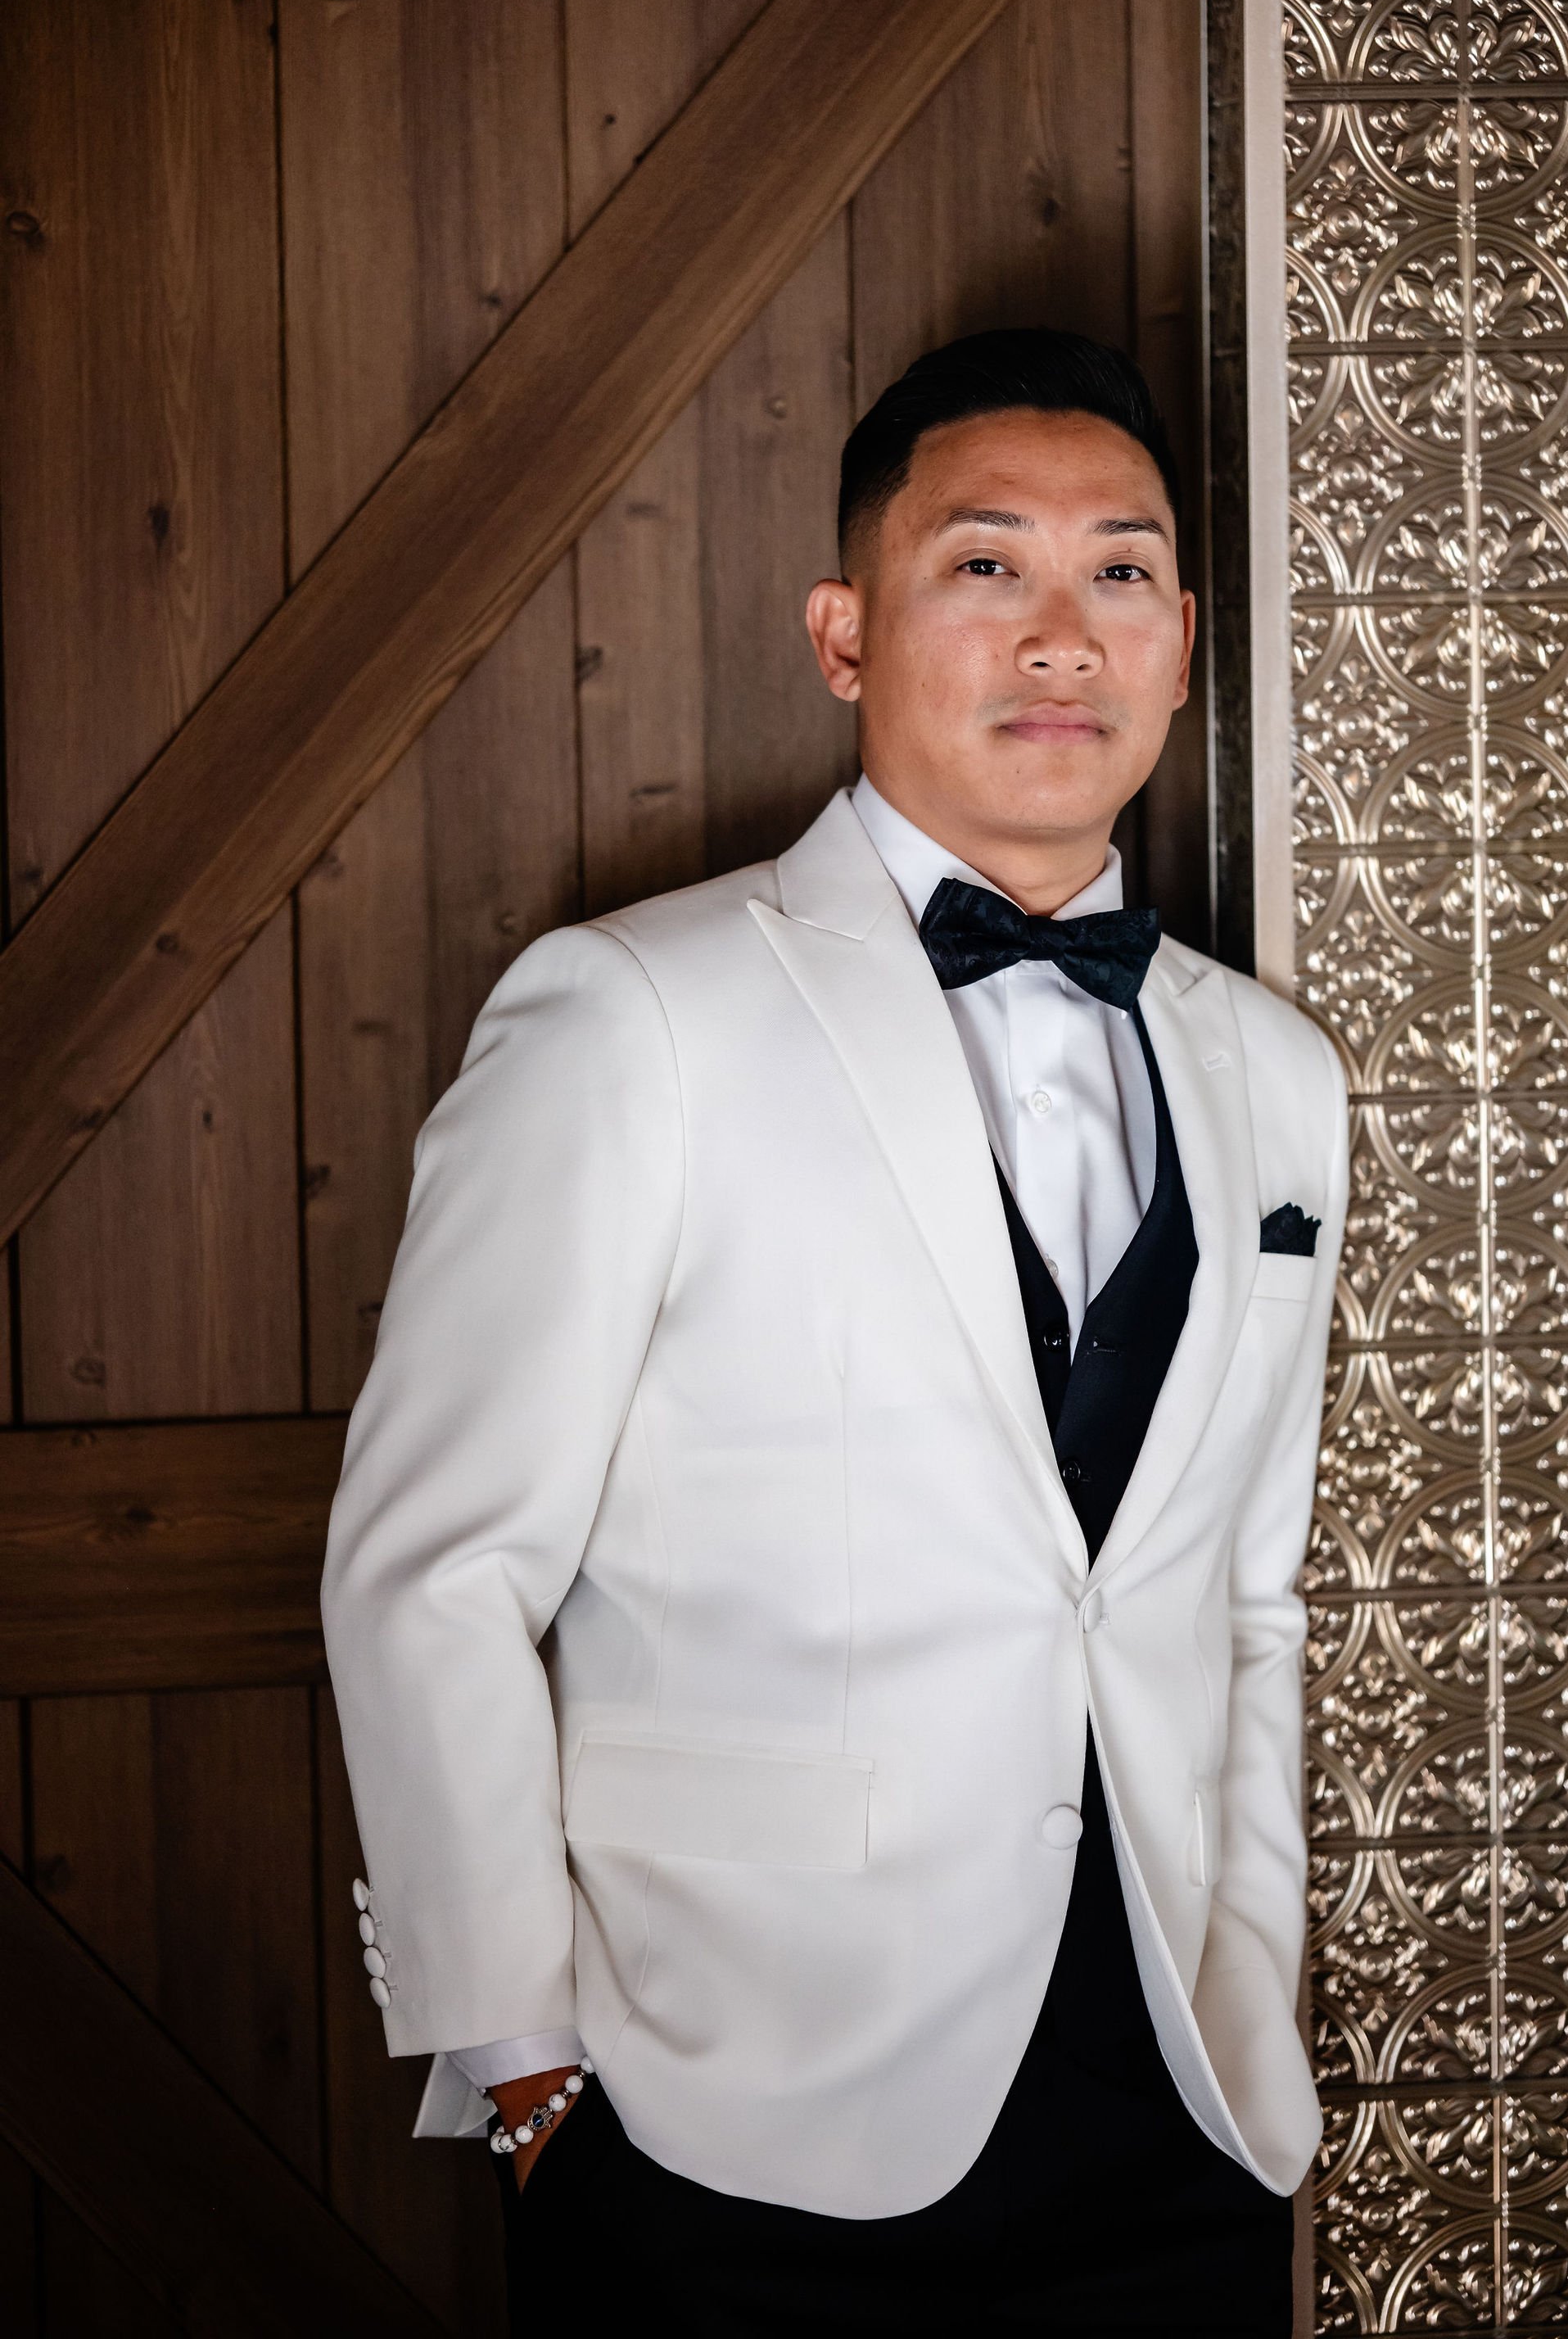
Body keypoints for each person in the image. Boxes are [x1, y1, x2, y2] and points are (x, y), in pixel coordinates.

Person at [321, 329, 1344, 2332]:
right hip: (727, 2110)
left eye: (1119, 573)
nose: (1064, 635)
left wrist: (1253, 1974)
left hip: (1177, 2099)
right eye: (986, 567)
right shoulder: (634, 1012)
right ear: (844, 634)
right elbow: (433, 1568)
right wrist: (522, 2060)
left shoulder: (1277, 1074)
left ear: (1181, 638)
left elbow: (1245, 1597)